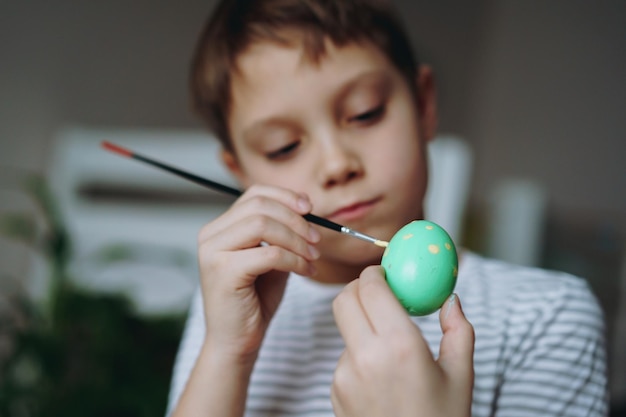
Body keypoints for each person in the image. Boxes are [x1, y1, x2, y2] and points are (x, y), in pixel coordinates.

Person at [165, 0, 608, 416]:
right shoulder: (231, 315)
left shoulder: (544, 318)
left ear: (424, 104)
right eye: (283, 147)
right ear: (240, 174)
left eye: (364, 113)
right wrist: (227, 354)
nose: (337, 164)